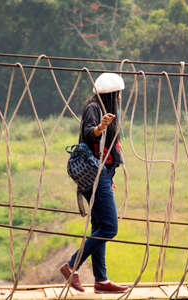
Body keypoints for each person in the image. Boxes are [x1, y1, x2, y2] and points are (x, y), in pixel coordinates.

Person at [60, 73, 128, 294]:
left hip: (104, 175)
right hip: (96, 177)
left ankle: (101, 280)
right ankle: (71, 265)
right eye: (117, 94)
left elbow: (108, 148)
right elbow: (90, 134)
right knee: (109, 227)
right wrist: (100, 126)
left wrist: (111, 177)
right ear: (111, 95)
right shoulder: (94, 109)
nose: (119, 98)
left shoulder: (109, 112)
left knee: (100, 226)